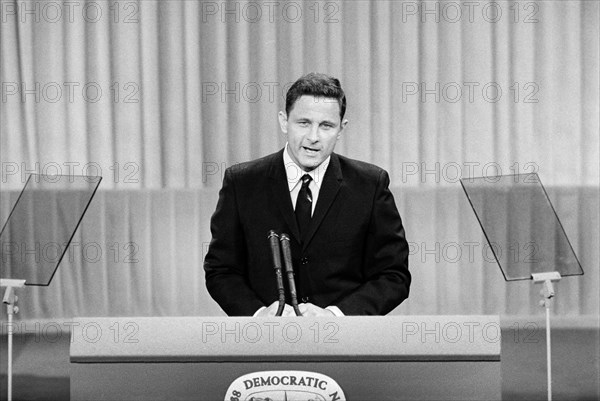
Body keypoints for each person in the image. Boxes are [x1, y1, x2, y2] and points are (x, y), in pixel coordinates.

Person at [204, 73, 410, 316]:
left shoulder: (370, 184)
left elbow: (393, 275)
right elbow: (221, 270)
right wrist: (259, 314)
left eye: (326, 126)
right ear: (284, 121)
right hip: (266, 343)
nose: (313, 137)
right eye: (303, 123)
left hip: (342, 344)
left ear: (341, 128)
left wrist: (334, 315)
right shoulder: (242, 182)